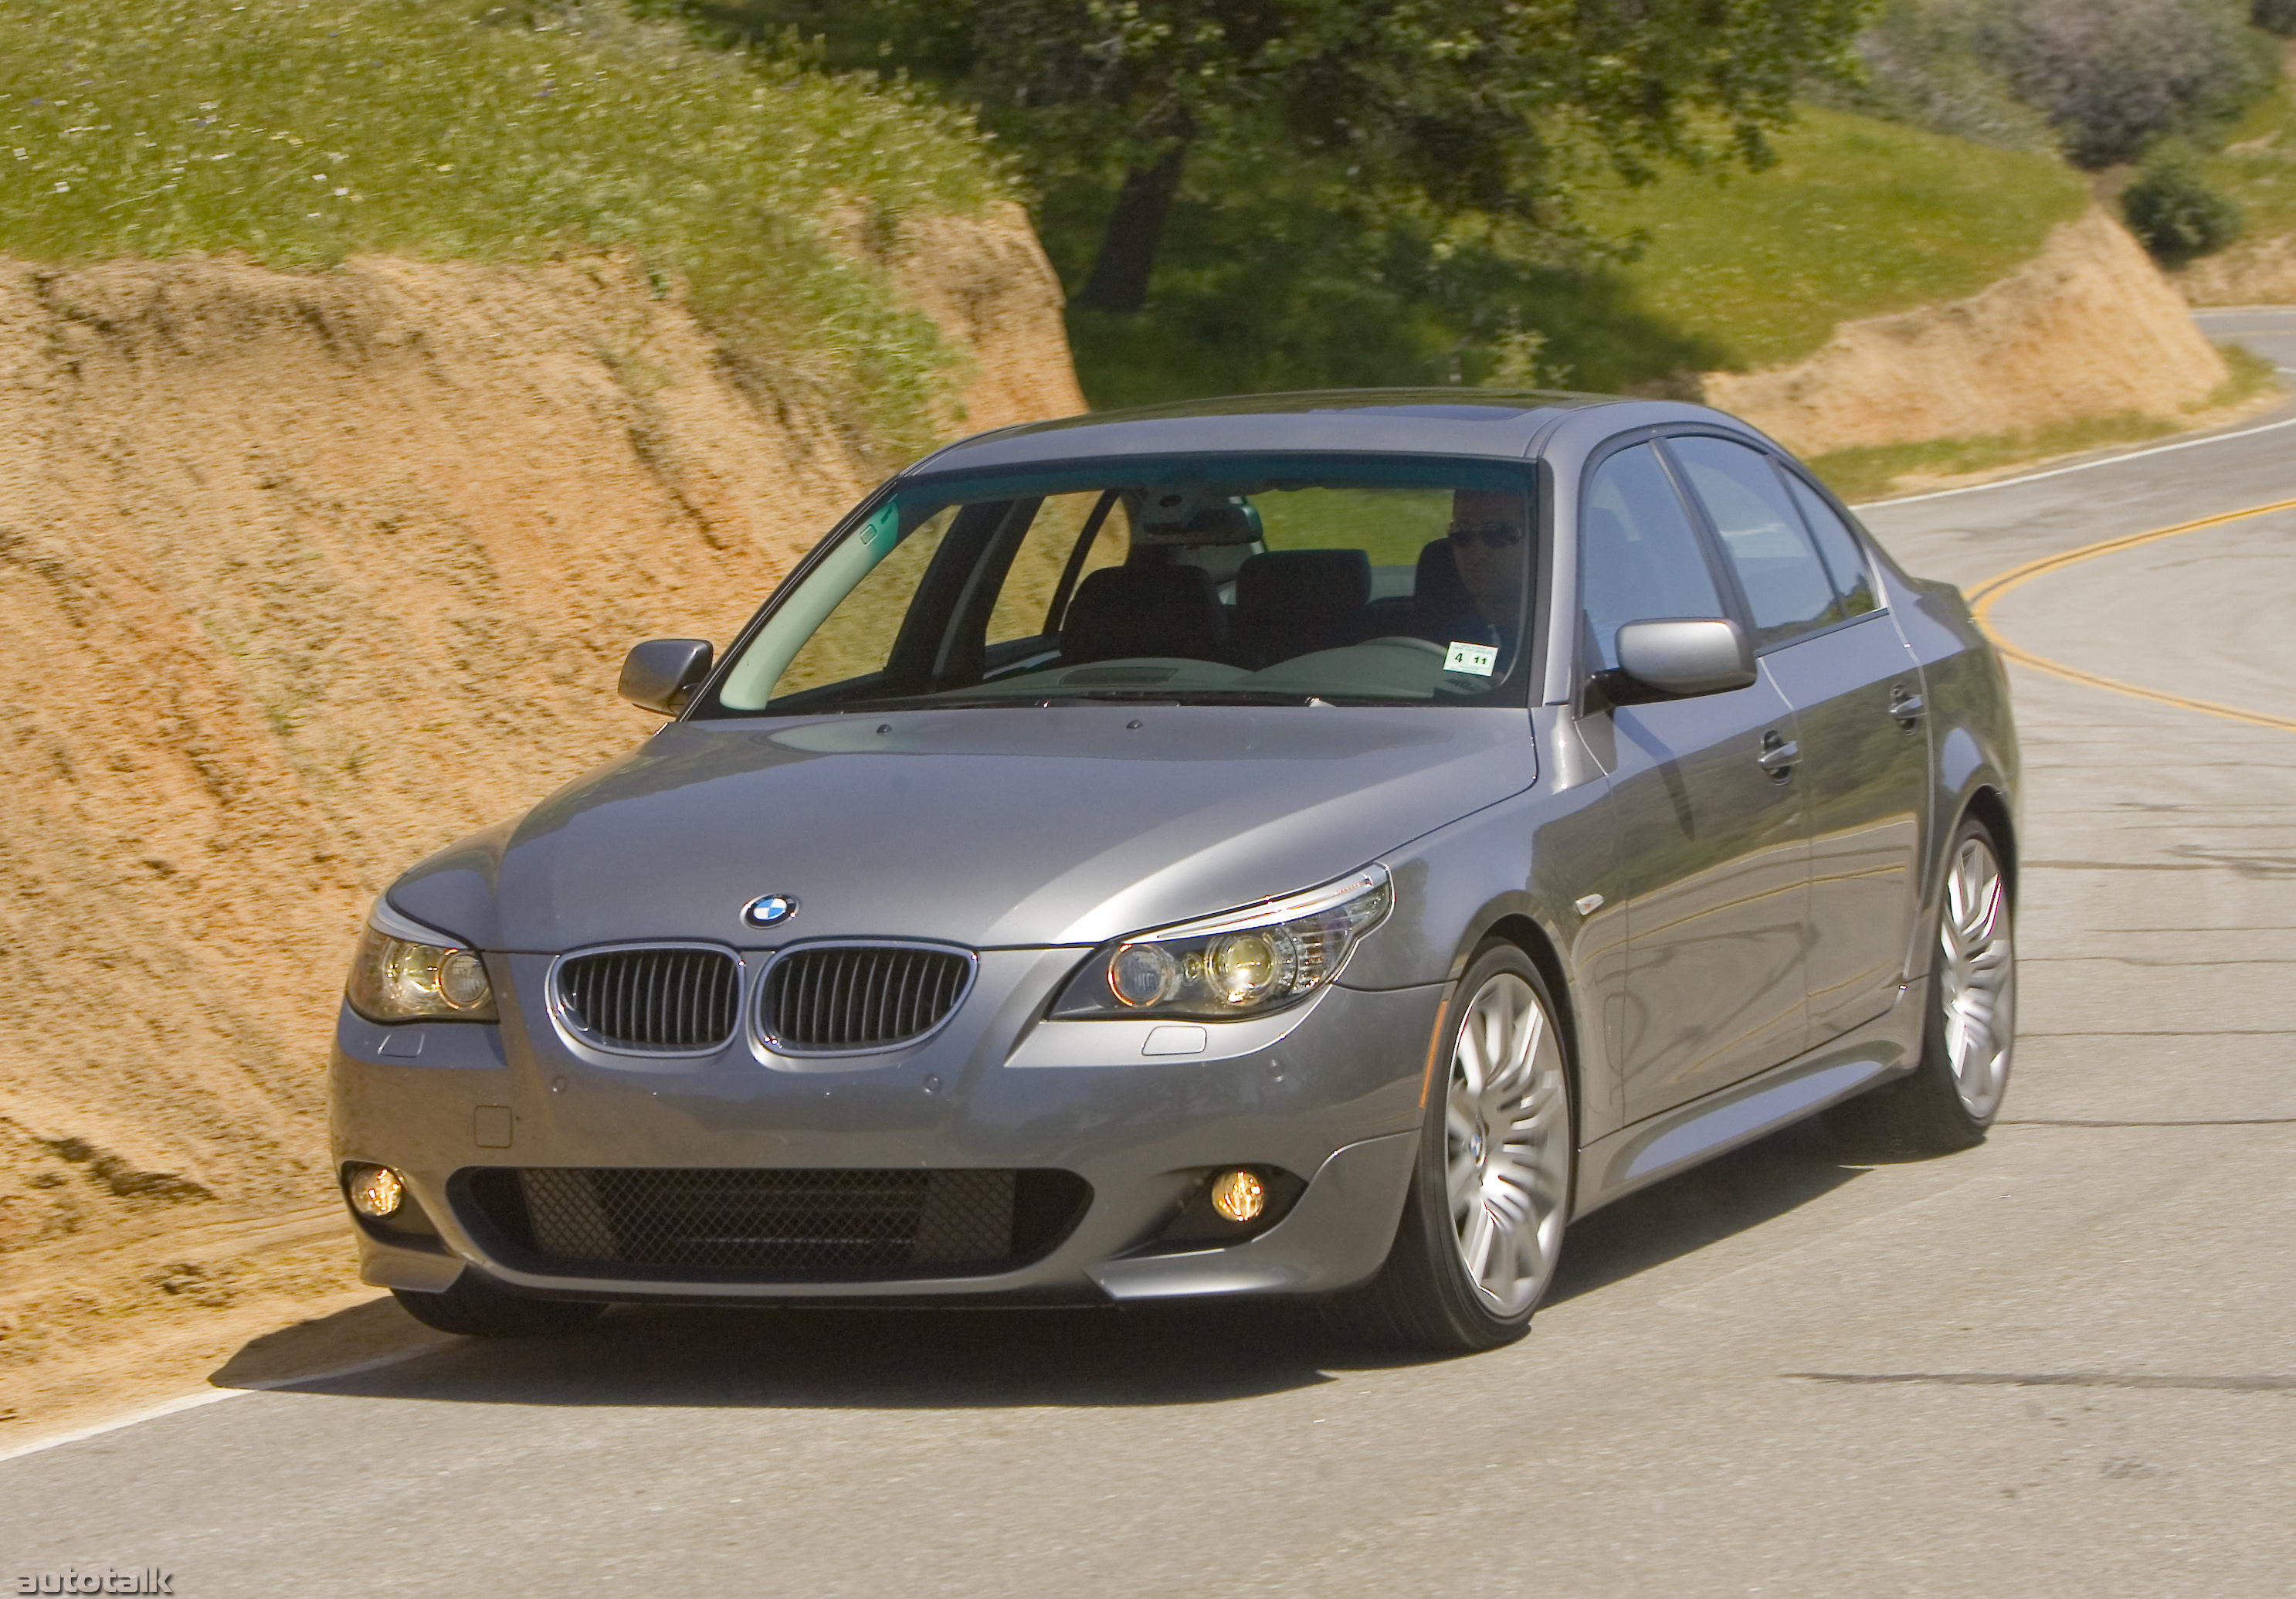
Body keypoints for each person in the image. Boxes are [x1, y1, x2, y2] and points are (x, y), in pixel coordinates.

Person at [1445, 487, 1530, 642]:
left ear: (1536, 540)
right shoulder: (1437, 631)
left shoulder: (1563, 629)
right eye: (1462, 532)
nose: (1477, 553)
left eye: (1499, 533)